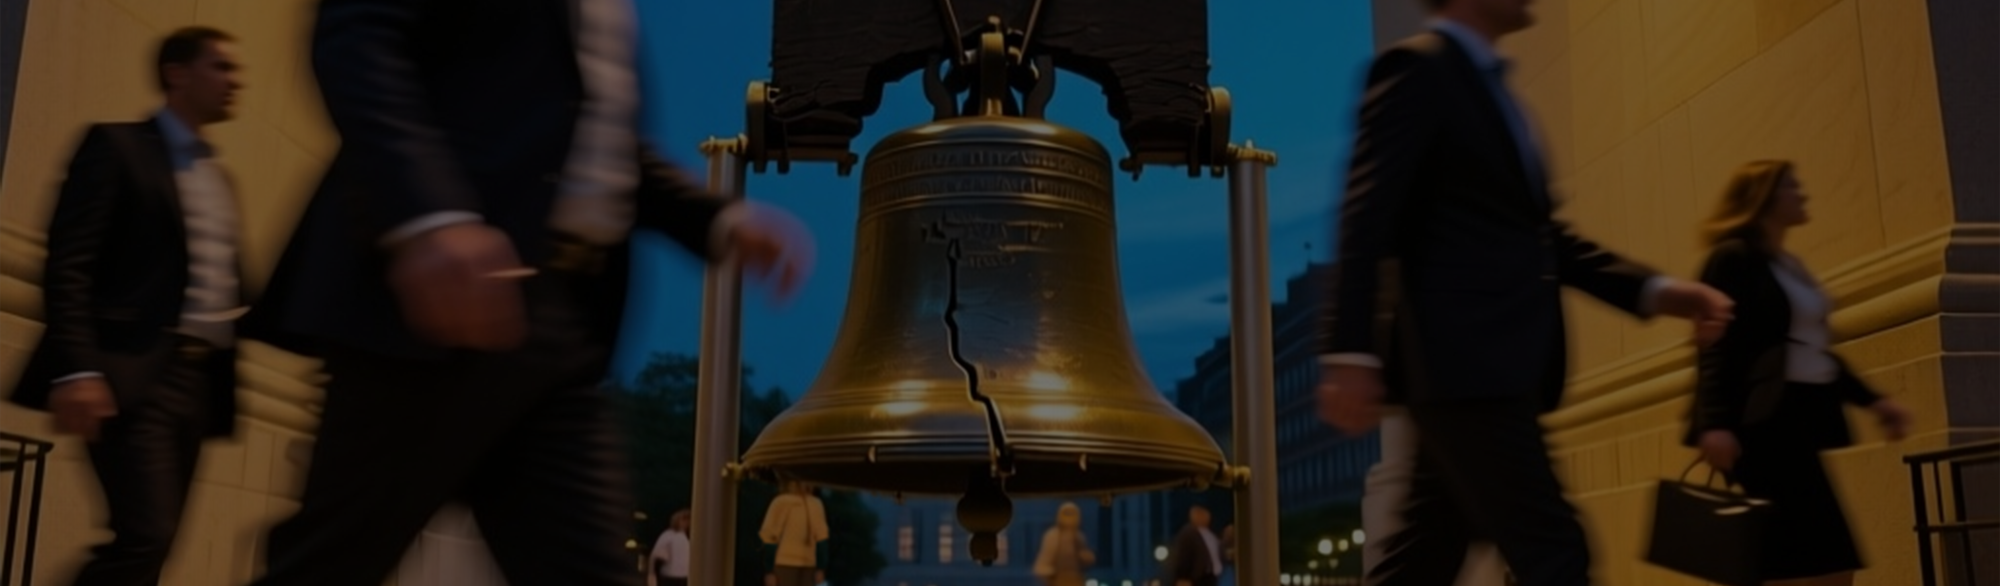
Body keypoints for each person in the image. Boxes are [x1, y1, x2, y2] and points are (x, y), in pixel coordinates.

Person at [240, 0, 816, 584]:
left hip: (559, 331)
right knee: (326, 567)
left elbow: (590, 143)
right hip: (438, 310)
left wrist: (716, 220)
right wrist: (428, 219)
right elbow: (358, 32)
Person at [1312, 0, 1736, 584]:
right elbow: (1367, 212)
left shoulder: (1491, 88)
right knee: (1556, 552)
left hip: (1481, 371)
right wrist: (1350, 350)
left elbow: (1543, 239)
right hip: (1467, 367)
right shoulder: (1417, 69)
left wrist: (1659, 292)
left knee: (1425, 556)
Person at [8, 26, 246, 586]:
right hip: (131, 374)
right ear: (176, 73)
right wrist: (79, 368)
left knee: (153, 548)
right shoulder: (117, 147)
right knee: (145, 536)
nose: (235, 81)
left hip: (199, 383)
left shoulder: (219, 179)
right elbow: (69, 262)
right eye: (221, 66)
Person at [1685, 160, 1913, 586]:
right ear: (1765, 197)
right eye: (1792, 186)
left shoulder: (1787, 265)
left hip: (1799, 423)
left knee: (1825, 556)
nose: (1802, 193)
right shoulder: (1732, 258)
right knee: (1803, 557)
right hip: (1757, 428)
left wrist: (1875, 401)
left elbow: (1814, 352)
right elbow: (1713, 347)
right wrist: (1714, 424)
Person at [758, 481, 829, 586]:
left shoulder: (781, 502)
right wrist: (821, 567)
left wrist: (769, 570)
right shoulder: (815, 504)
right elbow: (822, 539)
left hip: (789, 564)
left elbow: (769, 537)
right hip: (800, 565)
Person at [1032, 502, 1096, 586]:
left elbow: (1085, 559)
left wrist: (1087, 558)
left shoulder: (1079, 537)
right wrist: (1052, 575)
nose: (1069, 518)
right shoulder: (1052, 536)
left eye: (1072, 514)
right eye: (1067, 514)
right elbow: (1043, 563)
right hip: (1058, 579)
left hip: (1076, 579)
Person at [1166, 505, 1223, 586]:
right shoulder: (1188, 533)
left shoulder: (1210, 534)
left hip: (1211, 576)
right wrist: (1183, 577)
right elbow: (1183, 556)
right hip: (1196, 578)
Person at [648, 509, 691, 586]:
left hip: (684, 575)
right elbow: (657, 555)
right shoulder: (668, 535)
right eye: (684, 520)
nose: (687, 523)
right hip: (670, 575)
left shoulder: (685, 537)